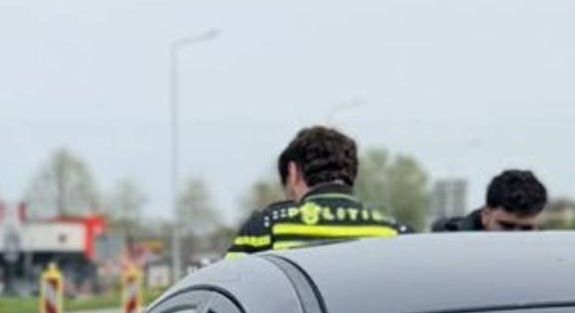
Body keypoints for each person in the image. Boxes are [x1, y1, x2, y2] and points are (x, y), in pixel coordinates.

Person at [227, 126, 409, 258]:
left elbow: (228, 294)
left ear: (293, 172)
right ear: (352, 173)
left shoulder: (265, 230)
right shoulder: (395, 233)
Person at [433, 169, 547, 232]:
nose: (515, 236)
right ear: (486, 215)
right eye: (507, 226)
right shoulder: (445, 243)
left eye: (526, 229)